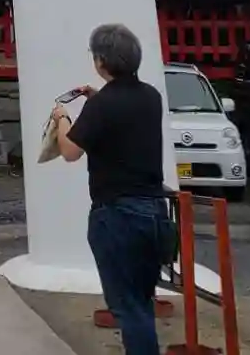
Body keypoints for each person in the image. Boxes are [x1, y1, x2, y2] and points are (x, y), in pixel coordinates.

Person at [48, 23, 169, 355]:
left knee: (128, 308)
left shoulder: (101, 106)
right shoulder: (151, 97)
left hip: (117, 216)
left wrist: (62, 119)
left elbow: (70, 151)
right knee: (141, 302)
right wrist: (96, 98)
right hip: (154, 213)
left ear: (101, 60)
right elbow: (122, 118)